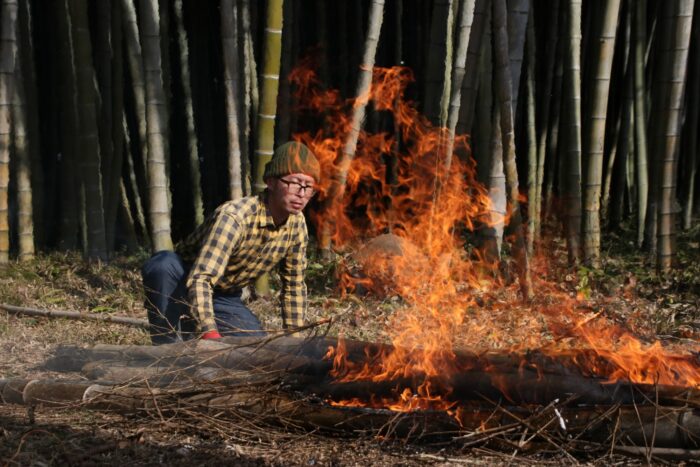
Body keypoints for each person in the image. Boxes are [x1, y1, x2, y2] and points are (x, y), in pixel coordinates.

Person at [141, 141, 320, 344]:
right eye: (295, 183)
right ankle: (168, 348)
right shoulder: (236, 217)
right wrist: (210, 334)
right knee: (162, 266)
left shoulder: (297, 225)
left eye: (308, 187)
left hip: (224, 295)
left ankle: (191, 327)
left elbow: (294, 287)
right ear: (271, 182)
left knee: (254, 346)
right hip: (182, 281)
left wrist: (295, 342)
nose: (301, 194)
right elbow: (201, 278)